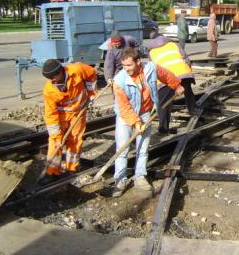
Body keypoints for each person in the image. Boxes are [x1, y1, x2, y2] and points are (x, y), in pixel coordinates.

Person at [112, 47, 184, 197]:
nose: (126, 69)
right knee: (122, 149)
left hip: (145, 113)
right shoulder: (119, 81)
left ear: (138, 62)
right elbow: (124, 108)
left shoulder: (150, 68)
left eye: (129, 65)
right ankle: (120, 180)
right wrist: (136, 123)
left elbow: (166, 74)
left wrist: (176, 86)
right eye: (123, 66)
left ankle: (139, 177)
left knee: (143, 148)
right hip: (125, 117)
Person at [40, 59, 97, 184]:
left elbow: (92, 73)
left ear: (61, 71)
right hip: (61, 115)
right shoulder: (49, 89)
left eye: (53, 77)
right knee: (55, 143)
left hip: (78, 112)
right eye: (49, 78)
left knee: (75, 139)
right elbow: (50, 114)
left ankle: (72, 168)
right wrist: (56, 136)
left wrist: (91, 93)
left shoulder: (77, 70)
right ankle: (52, 172)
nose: (52, 81)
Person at [147, 35, 197, 135]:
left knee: (164, 104)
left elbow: (152, 69)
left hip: (166, 78)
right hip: (183, 73)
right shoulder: (174, 45)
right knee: (188, 91)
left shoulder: (152, 52)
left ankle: (163, 129)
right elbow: (186, 59)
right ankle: (193, 111)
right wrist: (189, 72)